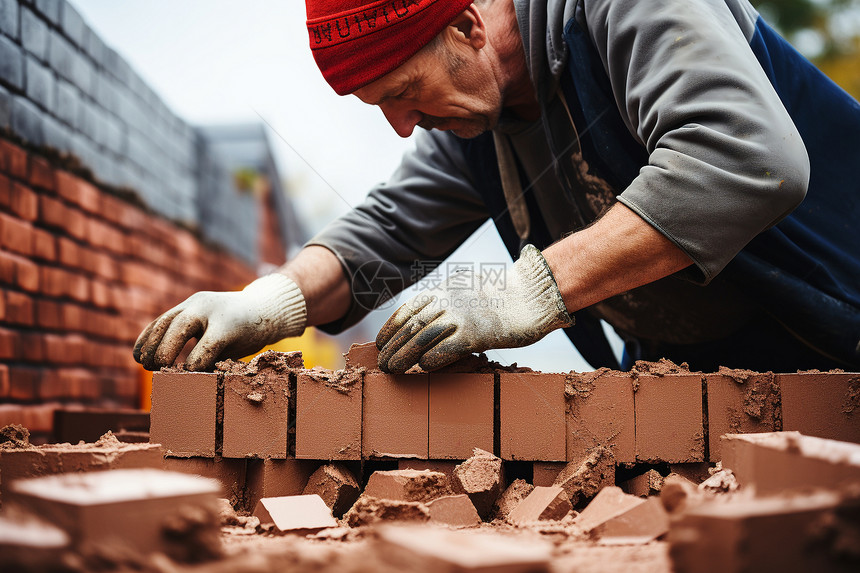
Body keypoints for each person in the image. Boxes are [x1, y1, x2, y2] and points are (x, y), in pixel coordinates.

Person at [134, 0, 860, 375]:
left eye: (403, 92)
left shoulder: (623, 10)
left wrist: (530, 290)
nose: (400, 127)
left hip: (836, 341)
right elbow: (387, 231)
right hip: (715, 380)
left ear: (465, 28)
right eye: (378, 107)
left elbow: (746, 158)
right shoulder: (480, 116)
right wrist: (270, 301)